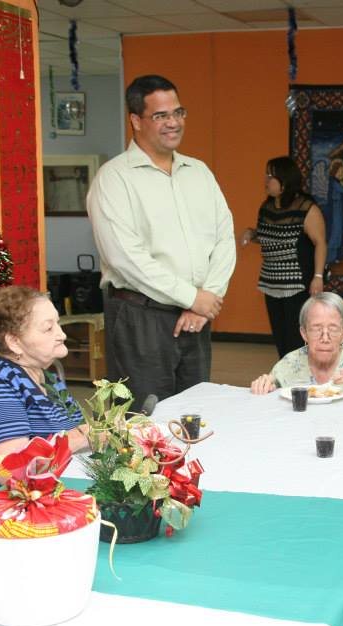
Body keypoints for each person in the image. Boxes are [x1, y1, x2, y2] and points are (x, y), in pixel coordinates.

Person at [87, 75, 236, 406]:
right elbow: (127, 257)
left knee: (194, 414)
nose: (173, 123)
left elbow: (225, 238)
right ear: (136, 121)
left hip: (195, 318)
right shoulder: (114, 179)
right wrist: (192, 296)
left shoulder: (199, 173)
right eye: (161, 116)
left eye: (178, 113)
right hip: (140, 317)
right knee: (144, 418)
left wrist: (207, 299)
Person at [0, 286, 91, 501]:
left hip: (51, 493)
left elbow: (77, 432)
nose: (62, 334)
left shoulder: (45, 377)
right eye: (48, 329)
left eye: (58, 323)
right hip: (10, 512)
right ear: (14, 342)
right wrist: (79, 438)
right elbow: (14, 474)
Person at [240, 157, 327, 359]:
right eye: (266, 174)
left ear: (285, 181)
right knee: (281, 338)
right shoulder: (266, 208)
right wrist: (251, 234)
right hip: (271, 283)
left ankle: (302, 382)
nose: (266, 180)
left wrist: (318, 276)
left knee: (297, 339)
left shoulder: (307, 208)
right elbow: (268, 238)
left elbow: (320, 243)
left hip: (297, 285)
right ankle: (287, 378)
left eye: (270, 176)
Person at [326, 159, 343, 264]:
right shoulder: (333, 181)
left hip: (339, 209)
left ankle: (336, 256)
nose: (341, 174)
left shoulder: (337, 182)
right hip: (334, 210)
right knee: (335, 232)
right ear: (334, 171)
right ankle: (330, 258)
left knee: (339, 232)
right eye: (339, 172)